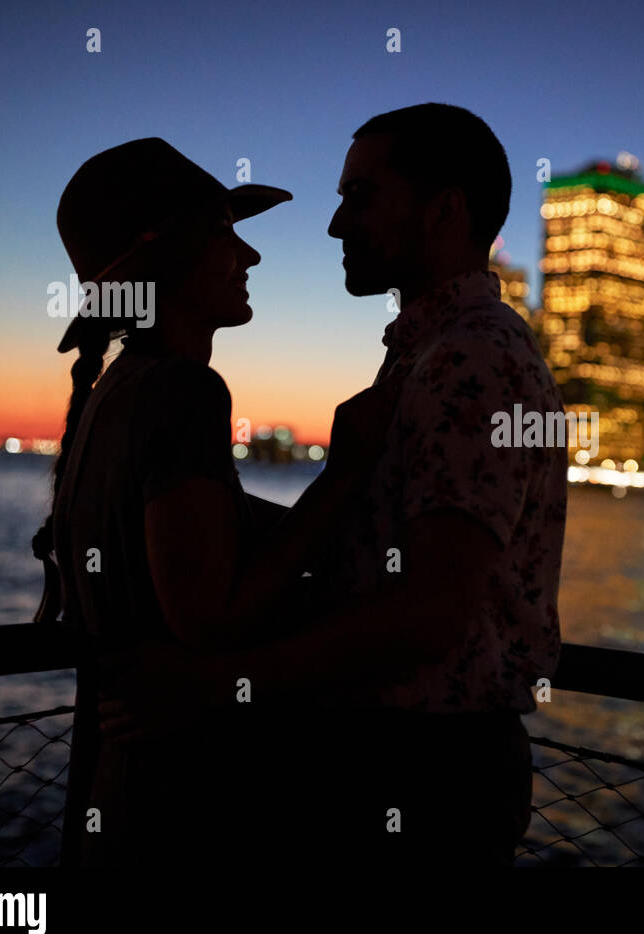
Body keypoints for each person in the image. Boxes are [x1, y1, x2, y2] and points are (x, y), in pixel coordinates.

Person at [102, 104, 570, 867]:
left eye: (361, 196)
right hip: (402, 765)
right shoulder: (429, 358)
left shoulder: (471, 362)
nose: (334, 226)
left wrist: (215, 685)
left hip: (425, 777)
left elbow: (429, 615)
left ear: (444, 209)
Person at [37, 137, 397, 866]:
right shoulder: (184, 391)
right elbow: (206, 616)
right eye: (225, 234)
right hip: (185, 800)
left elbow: (195, 544)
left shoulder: (114, 396)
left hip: (122, 788)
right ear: (170, 258)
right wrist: (346, 472)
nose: (250, 257)